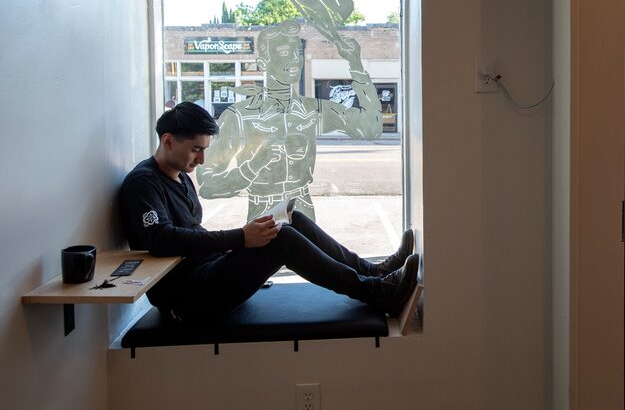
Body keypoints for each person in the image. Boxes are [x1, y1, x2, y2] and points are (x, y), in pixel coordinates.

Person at [119, 102, 418, 322]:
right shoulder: (143, 183)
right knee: (283, 239)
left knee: (291, 220)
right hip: (188, 300)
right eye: (196, 149)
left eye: (205, 148)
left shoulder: (181, 176)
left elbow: (191, 235)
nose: (203, 158)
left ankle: (374, 271)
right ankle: (377, 292)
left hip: (209, 273)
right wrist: (240, 238)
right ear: (168, 141)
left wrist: (247, 236)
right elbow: (162, 239)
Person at [196, 0, 382, 222]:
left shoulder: (312, 110)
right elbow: (208, 184)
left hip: (303, 209)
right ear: (263, 63)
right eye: (285, 53)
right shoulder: (240, 116)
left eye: (297, 53)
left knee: (313, 258)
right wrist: (254, 166)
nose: (295, 60)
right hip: (262, 213)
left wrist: (356, 65)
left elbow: (371, 127)